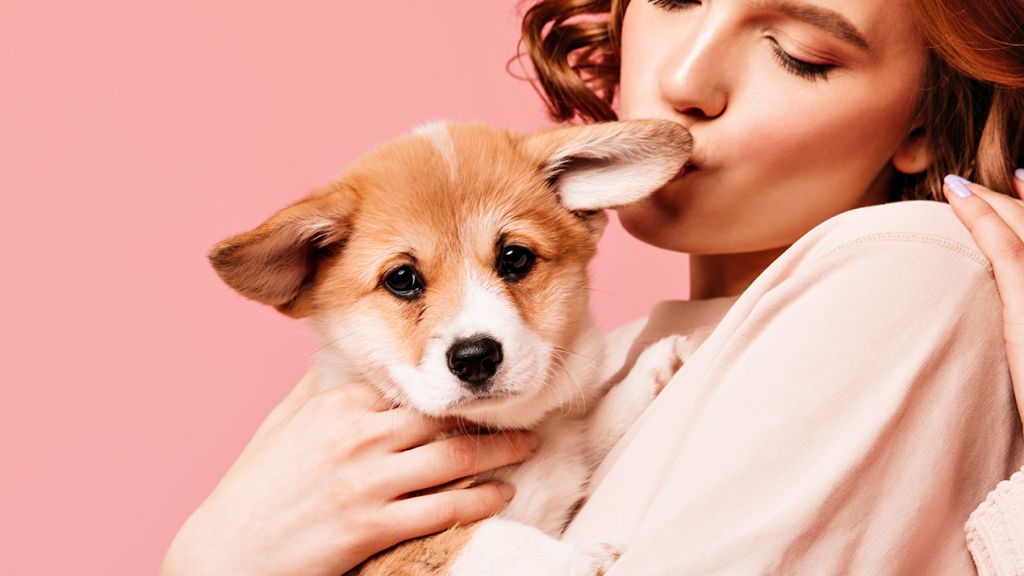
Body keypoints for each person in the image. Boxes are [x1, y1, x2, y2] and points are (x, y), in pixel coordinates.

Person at [160, 0, 1024, 574]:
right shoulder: (608, 371)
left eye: (798, 54)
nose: (685, 80)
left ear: (925, 114)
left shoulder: (910, 268)